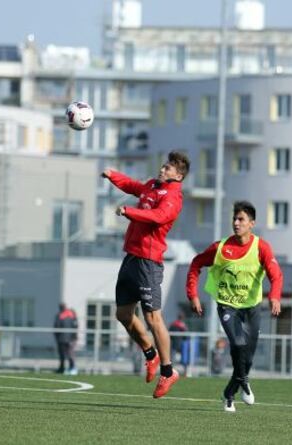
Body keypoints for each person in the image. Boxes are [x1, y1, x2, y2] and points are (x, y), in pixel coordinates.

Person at [102, 151, 190, 398]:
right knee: (123, 314)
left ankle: (168, 370)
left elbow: (159, 217)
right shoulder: (152, 185)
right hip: (131, 257)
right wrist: (112, 176)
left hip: (149, 262)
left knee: (153, 319)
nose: (163, 170)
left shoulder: (174, 196)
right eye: (163, 166)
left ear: (179, 176)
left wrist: (129, 212)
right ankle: (149, 354)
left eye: (169, 168)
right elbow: (133, 186)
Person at [186, 201, 283, 412]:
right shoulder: (220, 247)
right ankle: (244, 382)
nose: (236, 223)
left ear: (252, 224)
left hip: (252, 308)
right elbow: (196, 263)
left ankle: (229, 393)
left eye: (241, 220)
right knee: (238, 344)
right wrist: (192, 294)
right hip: (228, 306)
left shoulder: (261, 247)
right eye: (235, 219)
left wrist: (274, 297)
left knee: (247, 356)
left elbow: (276, 275)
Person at [54, 303, 78, 375]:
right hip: (70, 338)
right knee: (70, 354)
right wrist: (74, 337)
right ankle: (71, 368)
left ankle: (64, 368)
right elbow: (75, 326)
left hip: (62, 339)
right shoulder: (71, 315)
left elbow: (56, 327)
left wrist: (57, 337)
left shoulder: (60, 315)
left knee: (63, 355)